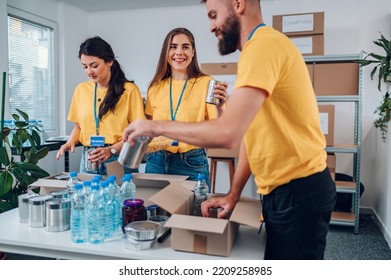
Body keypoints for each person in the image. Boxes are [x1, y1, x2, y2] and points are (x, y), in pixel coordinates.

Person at [122, 0, 336, 260]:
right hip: (281, 191)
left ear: (238, 4)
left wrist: (154, 125)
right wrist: (233, 194)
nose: (211, 27)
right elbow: (249, 135)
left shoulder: (263, 47)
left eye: (213, 15)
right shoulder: (253, 52)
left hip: (299, 191)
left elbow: (227, 134)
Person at [144, 27, 228, 187]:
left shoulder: (207, 84)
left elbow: (218, 127)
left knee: (193, 210)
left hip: (190, 161)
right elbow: (150, 127)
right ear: (166, 52)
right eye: (173, 47)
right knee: (154, 210)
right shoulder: (155, 87)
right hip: (156, 160)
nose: (179, 52)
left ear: (193, 51)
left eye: (185, 47)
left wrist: (221, 107)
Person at [56, 36, 145, 175]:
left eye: (94, 65)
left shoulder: (129, 90)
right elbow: (79, 126)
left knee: (121, 196)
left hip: (118, 157)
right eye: (85, 66)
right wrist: (70, 141)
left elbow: (138, 133)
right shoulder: (81, 89)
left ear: (109, 62)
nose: (89, 72)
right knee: (88, 196)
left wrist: (111, 150)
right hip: (89, 158)